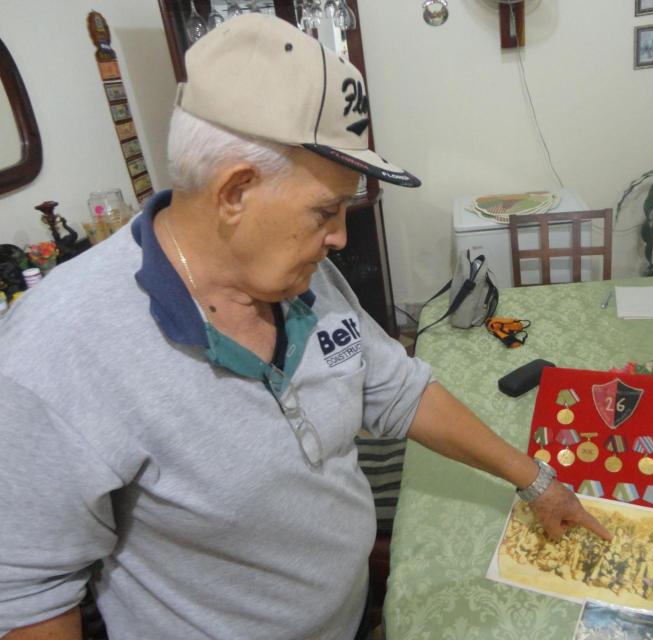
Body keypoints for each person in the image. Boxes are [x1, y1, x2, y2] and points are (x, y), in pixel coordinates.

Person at [0, 14, 609, 640]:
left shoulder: (298, 276)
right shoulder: (54, 352)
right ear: (235, 191)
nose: (340, 236)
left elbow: (399, 390)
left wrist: (536, 481)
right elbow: (28, 597)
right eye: (326, 210)